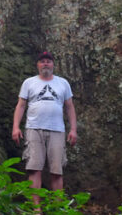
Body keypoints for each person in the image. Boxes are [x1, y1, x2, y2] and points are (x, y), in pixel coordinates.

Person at [11, 51, 77, 203]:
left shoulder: (63, 83)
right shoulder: (29, 82)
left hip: (57, 130)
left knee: (57, 171)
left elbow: (69, 107)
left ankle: (58, 211)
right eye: (42, 61)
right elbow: (21, 106)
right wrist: (16, 127)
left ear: (53, 64)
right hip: (34, 129)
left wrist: (73, 129)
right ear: (38, 65)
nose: (45, 63)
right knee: (34, 169)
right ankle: (36, 210)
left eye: (48, 61)